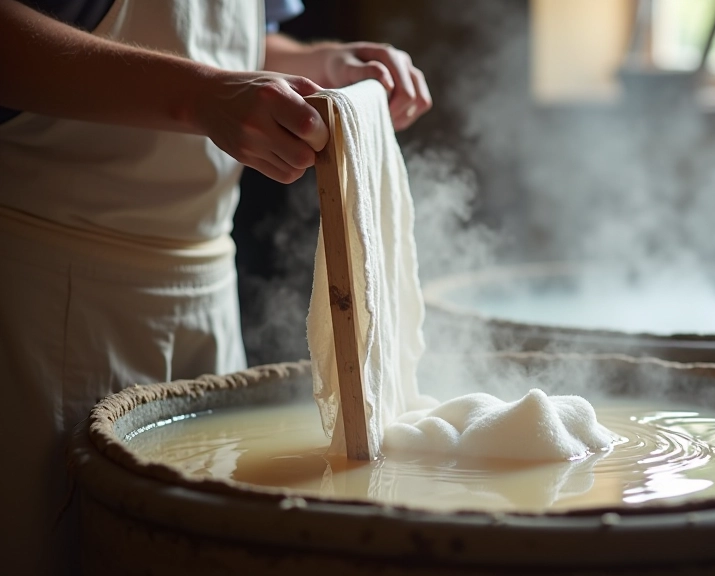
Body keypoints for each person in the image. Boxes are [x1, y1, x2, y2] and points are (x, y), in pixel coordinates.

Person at [0, 0, 432, 572]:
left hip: (207, 287)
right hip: (50, 286)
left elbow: (226, 37)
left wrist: (319, 64)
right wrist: (199, 95)